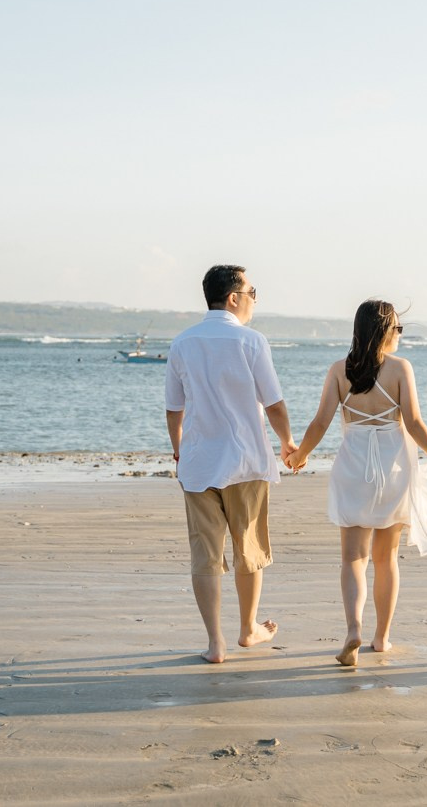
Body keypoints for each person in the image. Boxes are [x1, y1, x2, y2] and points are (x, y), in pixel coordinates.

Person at [287, 300, 427, 666]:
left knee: (353, 558)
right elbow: (414, 423)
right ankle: (381, 637)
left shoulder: (339, 370)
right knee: (386, 559)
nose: (400, 334)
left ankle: (354, 629)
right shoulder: (400, 369)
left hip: (353, 467)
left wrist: (300, 454)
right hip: (393, 468)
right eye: (397, 328)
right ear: (383, 331)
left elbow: (320, 422)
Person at [165, 264, 297, 663]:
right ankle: (248, 628)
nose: (254, 300)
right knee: (249, 548)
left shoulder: (182, 342)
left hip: (199, 463)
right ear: (233, 297)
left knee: (204, 554)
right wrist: (288, 443)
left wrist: (179, 450)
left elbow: (174, 408)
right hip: (245, 461)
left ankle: (215, 643)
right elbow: (273, 403)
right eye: (252, 292)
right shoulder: (251, 341)